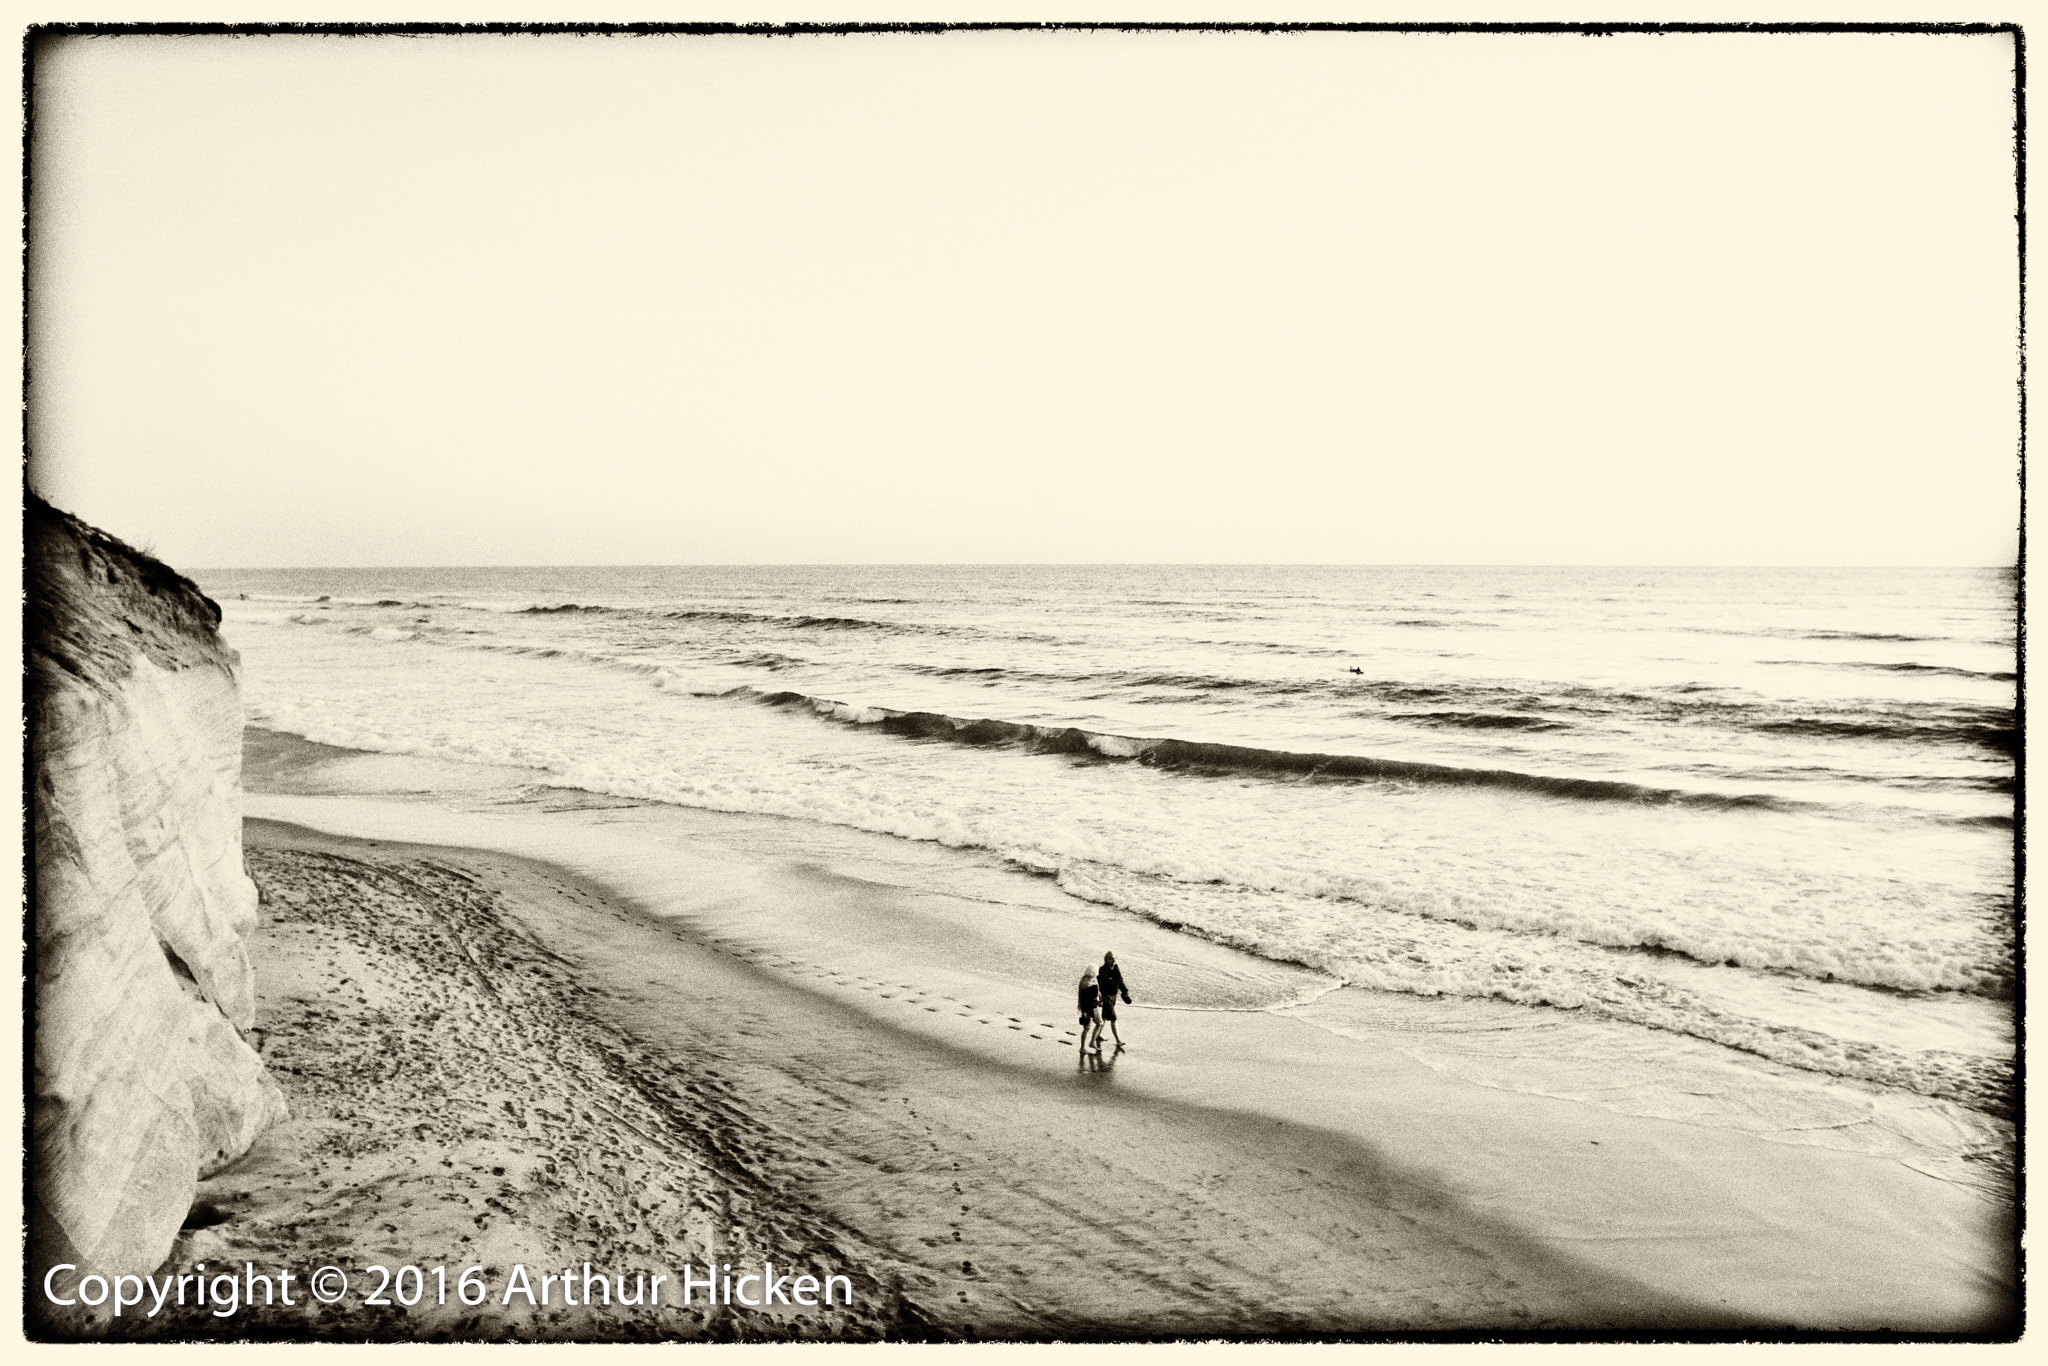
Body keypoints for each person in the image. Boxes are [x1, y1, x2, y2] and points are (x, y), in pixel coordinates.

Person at [1098, 952, 1133, 1051]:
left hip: (1113, 997)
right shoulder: (1103, 970)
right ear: (1106, 959)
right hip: (1106, 997)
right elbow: (1099, 986)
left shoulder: (1116, 969)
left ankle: (1098, 1034)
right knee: (1114, 1018)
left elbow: (1120, 981)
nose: (1113, 961)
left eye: (1114, 959)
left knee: (1104, 1017)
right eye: (1111, 959)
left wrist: (1125, 992)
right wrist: (1100, 998)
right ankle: (1118, 1040)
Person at [1077, 967, 1103, 1055]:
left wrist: (1099, 1000)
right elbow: (1083, 997)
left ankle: (1091, 1043)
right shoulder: (1086, 983)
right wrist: (1083, 1010)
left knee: (1099, 1023)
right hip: (1088, 1008)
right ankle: (1083, 1047)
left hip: (1093, 1006)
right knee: (1087, 1027)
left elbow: (1098, 992)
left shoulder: (1092, 979)